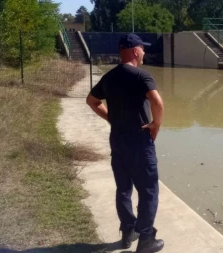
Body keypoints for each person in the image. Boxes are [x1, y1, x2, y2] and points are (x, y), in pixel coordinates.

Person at [86, 33, 164, 253]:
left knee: (123, 189)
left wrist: (112, 118)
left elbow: (92, 101)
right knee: (149, 190)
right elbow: (157, 102)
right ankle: (146, 238)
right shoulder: (141, 75)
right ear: (135, 51)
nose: (144, 53)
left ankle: (128, 231)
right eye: (143, 49)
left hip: (118, 141)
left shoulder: (110, 77)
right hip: (139, 141)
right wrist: (155, 125)